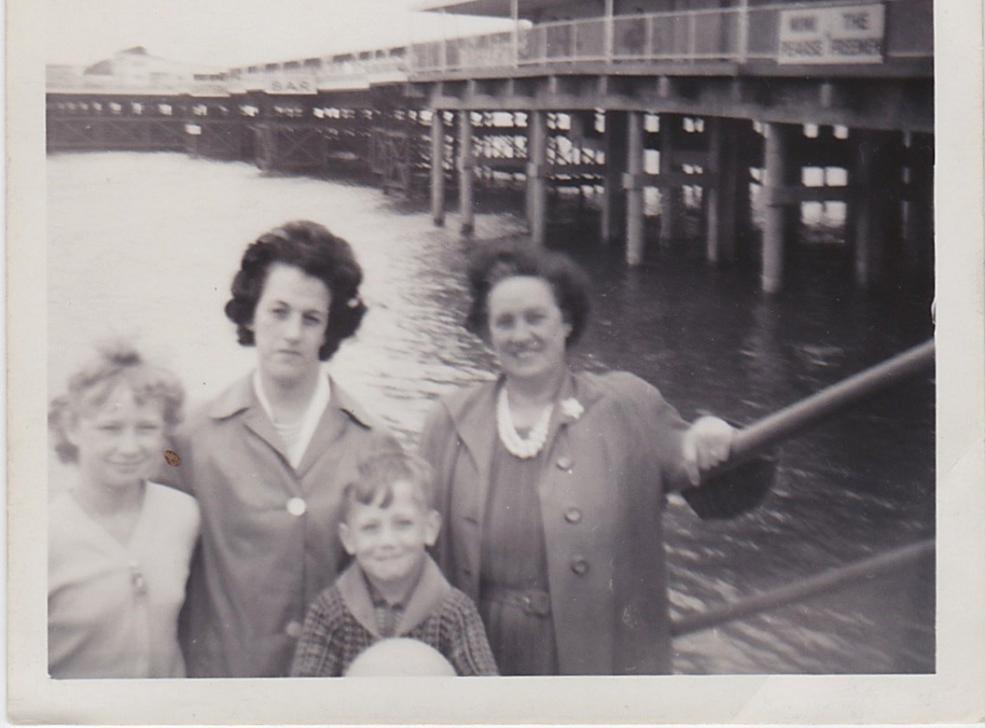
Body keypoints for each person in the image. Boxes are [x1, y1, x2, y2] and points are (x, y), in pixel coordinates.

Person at [419, 238, 751, 677]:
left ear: (567, 322)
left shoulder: (626, 405)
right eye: (505, 322)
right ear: (487, 332)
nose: (521, 336)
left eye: (536, 318)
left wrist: (712, 435)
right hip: (479, 654)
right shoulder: (449, 421)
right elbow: (411, 538)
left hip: (593, 653)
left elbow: (712, 475)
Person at [166, 220, 395, 677]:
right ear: (251, 314)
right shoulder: (188, 441)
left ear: (330, 329)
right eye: (279, 311)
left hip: (334, 694)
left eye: (311, 318)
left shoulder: (375, 444)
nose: (293, 332)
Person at [47, 342, 200, 678]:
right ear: (72, 428)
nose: (129, 447)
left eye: (146, 428)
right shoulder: (44, 535)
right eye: (110, 428)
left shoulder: (183, 515)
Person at [291, 439, 497, 677]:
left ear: (430, 528)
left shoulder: (455, 612)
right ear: (349, 539)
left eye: (403, 524)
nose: (387, 541)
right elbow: (305, 699)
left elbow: (486, 696)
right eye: (370, 528)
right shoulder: (329, 612)